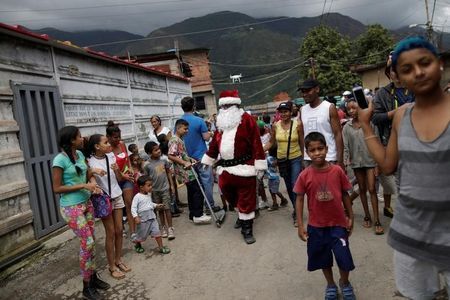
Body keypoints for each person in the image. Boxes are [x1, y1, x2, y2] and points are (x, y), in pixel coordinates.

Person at [359, 36, 450, 299]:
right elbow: (388, 165)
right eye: (407, 69)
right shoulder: (401, 116)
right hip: (410, 237)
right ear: (398, 77)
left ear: (440, 64)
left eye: (425, 63)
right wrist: (366, 126)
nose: (418, 72)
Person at [295, 132, 356, 300]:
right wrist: (300, 225)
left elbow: (345, 195)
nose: (317, 153)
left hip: (338, 224)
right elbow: (299, 199)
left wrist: (350, 216)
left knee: (344, 257)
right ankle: (330, 284)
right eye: (312, 150)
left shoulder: (337, 171)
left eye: (320, 148)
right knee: (323, 259)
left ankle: (345, 282)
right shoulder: (305, 175)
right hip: (316, 226)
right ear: (307, 152)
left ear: (327, 149)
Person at [52, 126, 110, 300]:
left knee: (91, 241)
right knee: (88, 242)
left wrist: (93, 180)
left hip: (87, 203)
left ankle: (92, 278)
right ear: (71, 140)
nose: (82, 138)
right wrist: (84, 186)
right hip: (71, 207)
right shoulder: (59, 160)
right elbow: (56, 188)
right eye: (79, 136)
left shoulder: (81, 155)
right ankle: (86, 286)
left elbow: (86, 174)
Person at [202, 90, 267, 244]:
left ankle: (247, 228)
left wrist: (259, 164)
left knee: (246, 198)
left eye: (228, 105)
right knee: (230, 195)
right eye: (223, 106)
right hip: (226, 170)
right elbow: (214, 144)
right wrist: (208, 160)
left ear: (236, 105)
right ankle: (241, 215)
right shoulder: (221, 123)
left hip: (245, 168)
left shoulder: (247, 120)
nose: (225, 108)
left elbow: (257, 143)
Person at [371, 52, 415, 219]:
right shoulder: (383, 94)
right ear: (389, 74)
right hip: (393, 143)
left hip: (418, 141)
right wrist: (395, 113)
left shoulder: (416, 88)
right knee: (401, 183)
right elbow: (375, 118)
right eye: (392, 69)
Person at [84, 134, 131, 280]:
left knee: (119, 230)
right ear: (97, 146)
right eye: (105, 142)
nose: (109, 144)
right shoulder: (89, 161)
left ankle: (118, 260)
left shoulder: (110, 155)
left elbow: (117, 178)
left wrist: (117, 169)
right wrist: (93, 171)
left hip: (117, 195)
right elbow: (87, 178)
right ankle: (111, 266)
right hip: (104, 200)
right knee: (110, 233)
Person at [343, 98, 384, 235]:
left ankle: (377, 220)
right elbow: (346, 146)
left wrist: (378, 163)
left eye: (354, 107)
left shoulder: (370, 123)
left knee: (372, 189)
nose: (351, 111)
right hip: (356, 163)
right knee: (361, 189)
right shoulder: (347, 127)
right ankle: (367, 215)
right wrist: (345, 161)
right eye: (349, 109)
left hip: (370, 161)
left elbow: (377, 141)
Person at [263, 101, 304, 226]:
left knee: (294, 185)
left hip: (296, 157)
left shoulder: (298, 124)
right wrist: (259, 150)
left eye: (286, 111)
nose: (284, 114)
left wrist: (304, 159)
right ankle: (295, 209)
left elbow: (302, 142)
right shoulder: (275, 125)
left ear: (291, 112)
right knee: (289, 187)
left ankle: (297, 214)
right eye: (281, 112)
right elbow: (271, 142)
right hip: (282, 160)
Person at [180, 96, 220, 212]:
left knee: (193, 184)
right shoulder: (199, 120)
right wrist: (211, 134)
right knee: (207, 182)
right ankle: (209, 206)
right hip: (201, 157)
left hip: (187, 158)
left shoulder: (179, 122)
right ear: (194, 107)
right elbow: (206, 138)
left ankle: (197, 208)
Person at [169, 119, 211, 224]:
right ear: (178, 128)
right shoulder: (174, 140)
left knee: (192, 191)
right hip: (185, 171)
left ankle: (193, 214)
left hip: (186, 169)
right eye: (185, 129)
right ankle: (198, 214)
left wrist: (189, 159)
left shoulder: (179, 139)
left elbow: (180, 154)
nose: (187, 131)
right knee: (198, 190)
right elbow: (171, 155)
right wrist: (184, 163)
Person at [298, 78, 344, 170]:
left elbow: (338, 134)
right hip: (309, 158)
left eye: (308, 91)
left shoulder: (329, 107)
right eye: (303, 92)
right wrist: (304, 157)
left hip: (329, 157)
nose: (305, 94)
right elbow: (302, 135)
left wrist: (340, 160)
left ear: (317, 89)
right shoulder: (302, 110)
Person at [106, 122, 136, 239]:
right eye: (115, 137)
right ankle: (121, 228)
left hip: (127, 178)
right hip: (115, 180)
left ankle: (133, 231)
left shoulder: (122, 144)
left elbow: (127, 159)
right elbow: (111, 167)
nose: (118, 139)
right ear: (108, 137)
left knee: (129, 203)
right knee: (118, 207)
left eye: (119, 136)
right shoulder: (107, 150)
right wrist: (123, 175)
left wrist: (131, 169)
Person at [131, 175, 171, 254]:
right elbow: (133, 208)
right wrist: (135, 217)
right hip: (143, 220)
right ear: (141, 187)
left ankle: (161, 247)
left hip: (152, 217)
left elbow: (149, 204)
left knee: (157, 232)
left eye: (151, 185)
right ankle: (137, 244)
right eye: (148, 185)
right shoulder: (137, 197)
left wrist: (156, 205)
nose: (151, 187)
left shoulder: (148, 195)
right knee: (141, 235)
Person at [144, 141, 175, 240]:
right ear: (149, 153)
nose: (158, 151)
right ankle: (163, 228)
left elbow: (168, 172)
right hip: (154, 191)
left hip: (165, 189)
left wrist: (172, 185)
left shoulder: (164, 161)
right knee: (160, 210)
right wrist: (147, 191)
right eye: (155, 150)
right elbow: (146, 179)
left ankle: (170, 228)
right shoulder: (147, 165)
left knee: (167, 209)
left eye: (158, 149)